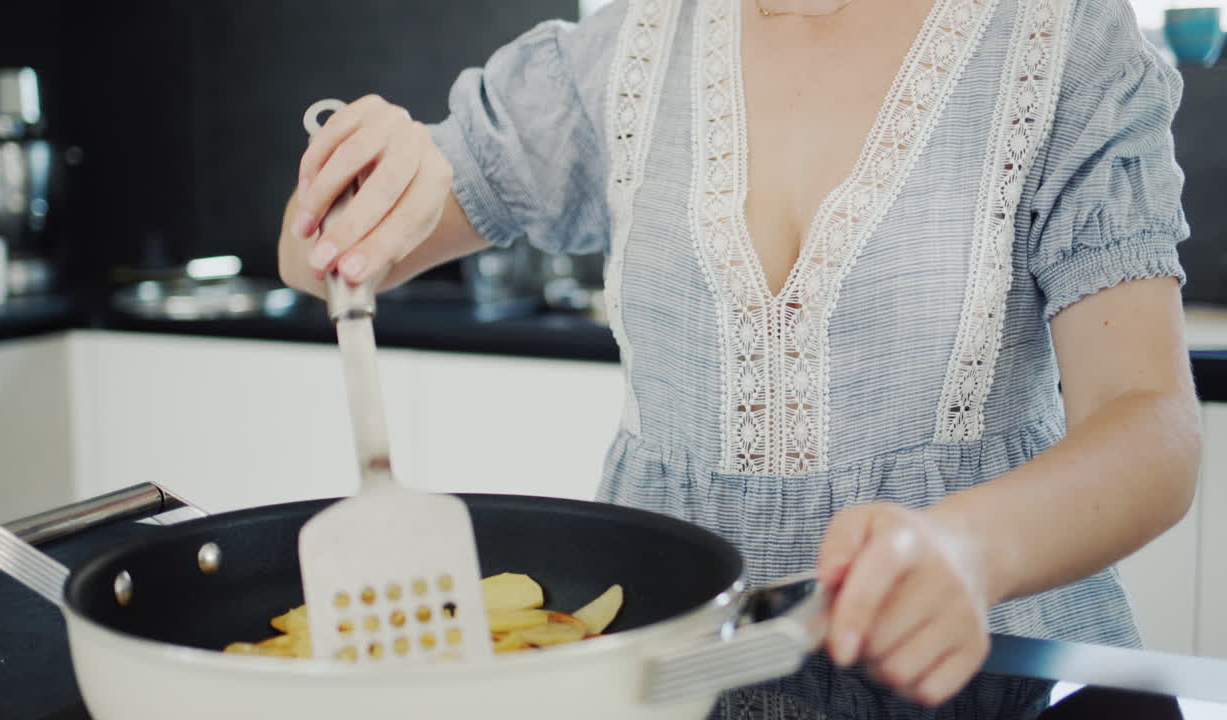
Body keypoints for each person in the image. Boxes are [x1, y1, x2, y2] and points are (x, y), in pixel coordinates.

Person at [278, 0, 1201, 717]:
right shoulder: (618, 55)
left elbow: (1150, 426)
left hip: (994, 675)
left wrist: (970, 547)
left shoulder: (1065, 46)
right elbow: (330, 265)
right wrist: (357, 189)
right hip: (670, 681)